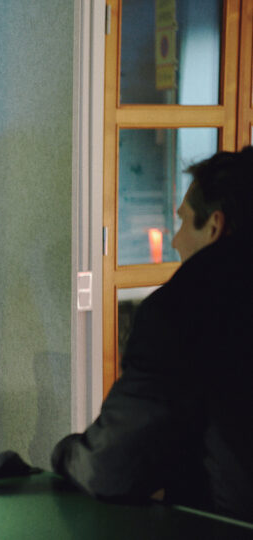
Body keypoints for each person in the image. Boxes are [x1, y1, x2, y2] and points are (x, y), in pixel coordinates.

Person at [51, 148, 253, 522]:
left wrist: (62, 453)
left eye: (182, 222)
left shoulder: (185, 308)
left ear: (214, 226)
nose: (175, 240)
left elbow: (109, 469)